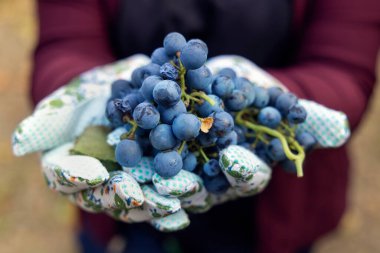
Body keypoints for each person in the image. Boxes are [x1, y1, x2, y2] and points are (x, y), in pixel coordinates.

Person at [31, 0, 380, 252]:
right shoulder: (158, 101)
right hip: (126, 216)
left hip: (273, 216)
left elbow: (345, 69)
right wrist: (81, 90)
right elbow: (64, 43)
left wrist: (271, 92)